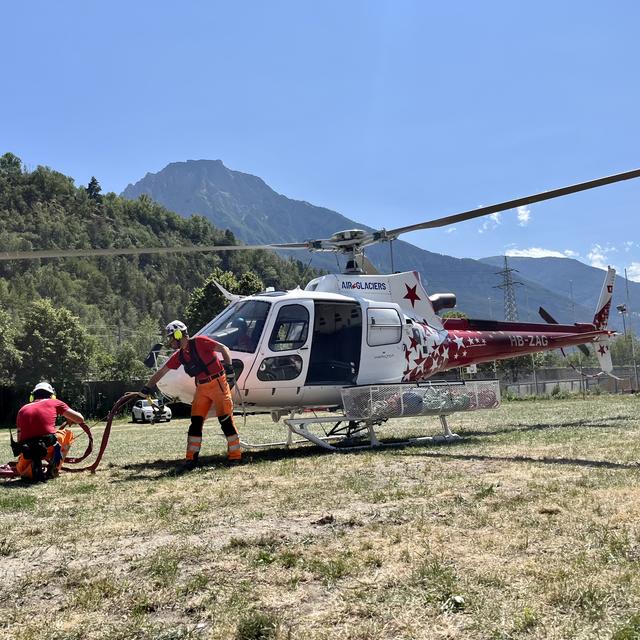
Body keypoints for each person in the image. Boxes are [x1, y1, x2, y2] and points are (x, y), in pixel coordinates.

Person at [141, 320, 241, 469]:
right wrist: (147, 387)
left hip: (218, 383)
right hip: (201, 387)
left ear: (178, 334)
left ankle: (235, 457)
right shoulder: (179, 355)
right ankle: (191, 460)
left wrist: (229, 369)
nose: (169, 341)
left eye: (170, 337)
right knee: (195, 423)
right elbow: (162, 371)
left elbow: (223, 348)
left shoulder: (200, 342)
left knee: (225, 420)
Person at [14, 382, 85, 482]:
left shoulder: (22, 410)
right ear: (52, 396)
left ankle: (29, 469)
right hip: (48, 447)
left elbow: (19, 439)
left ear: (32, 396)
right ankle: (55, 468)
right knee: (67, 434)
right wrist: (70, 417)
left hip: (28, 450)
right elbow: (80, 419)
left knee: (22, 470)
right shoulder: (55, 403)